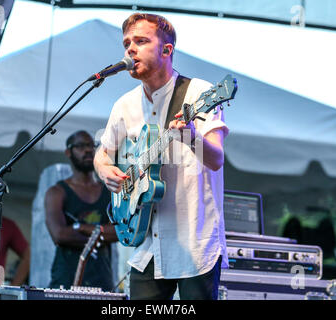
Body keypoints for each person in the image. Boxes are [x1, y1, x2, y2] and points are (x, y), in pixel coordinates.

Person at [94, 13, 229, 300]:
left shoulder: (200, 92)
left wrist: (191, 136)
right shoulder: (124, 104)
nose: (130, 48)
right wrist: (105, 170)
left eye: (141, 41)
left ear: (167, 50)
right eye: (127, 43)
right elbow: (101, 154)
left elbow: (216, 159)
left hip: (195, 244)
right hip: (146, 245)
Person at [45, 130, 118, 291]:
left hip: (102, 281)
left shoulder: (110, 191)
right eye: (80, 146)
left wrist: (81, 228)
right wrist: (102, 234)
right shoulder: (56, 192)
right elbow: (59, 235)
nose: (88, 150)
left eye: (91, 145)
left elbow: (120, 232)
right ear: (68, 152)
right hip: (65, 281)